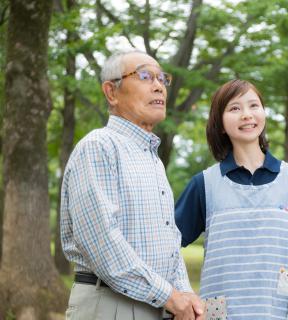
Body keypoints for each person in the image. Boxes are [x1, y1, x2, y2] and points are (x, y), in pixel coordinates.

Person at [60, 51, 204, 320]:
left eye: (163, 78)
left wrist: (185, 293)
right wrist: (171, 296)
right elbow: (103, 245)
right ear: (111, 92)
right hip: (110, 305)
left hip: (157, 304)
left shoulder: (153, 160)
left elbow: (169, 239)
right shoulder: (98, 147)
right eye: (145, 76)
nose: (159, 85)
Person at [175, 79, 288, 319]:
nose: (246, 115)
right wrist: (180, 296)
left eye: (253, 105)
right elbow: (167, 247)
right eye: (235, 108)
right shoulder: (204, 184)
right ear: (221, 124)